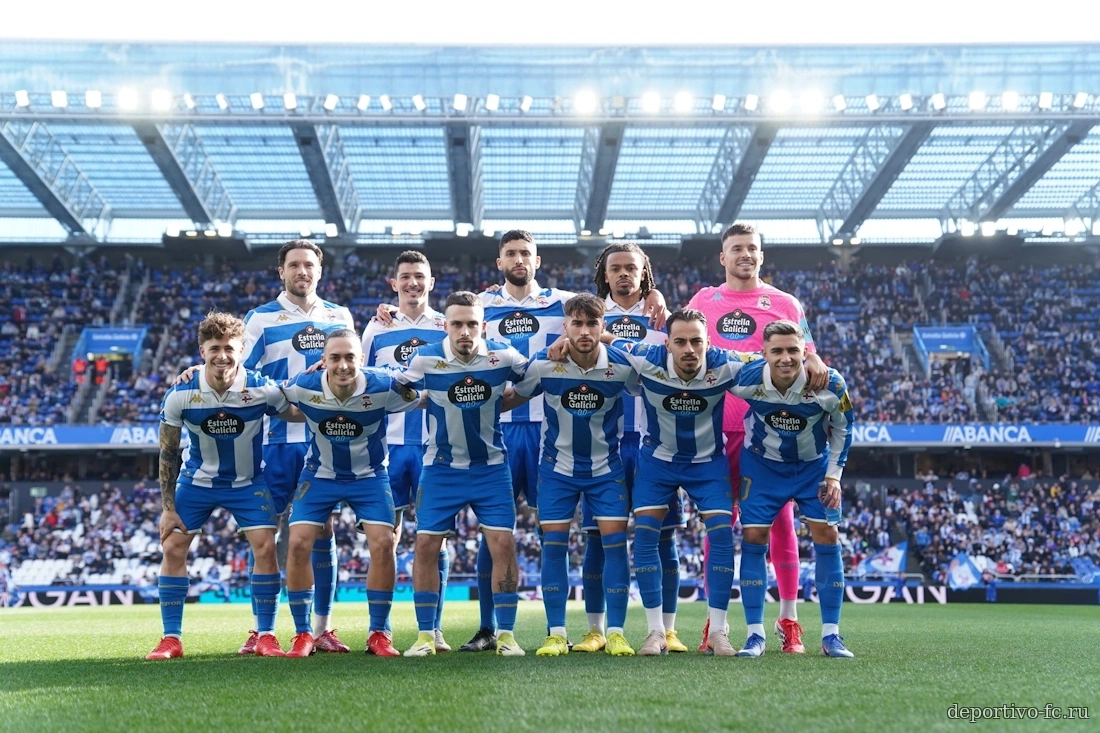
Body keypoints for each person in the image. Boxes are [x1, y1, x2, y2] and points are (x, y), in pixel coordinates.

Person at [686, 222, 828, 654]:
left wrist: (816, 358)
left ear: (761, 255)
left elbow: (809, 355)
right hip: (713, 429)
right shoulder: (703, 301)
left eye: (752, 248)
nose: (745, 254)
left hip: (768, 432)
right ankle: (716, 624)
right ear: (723, 257)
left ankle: (789, 621)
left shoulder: (784, 303)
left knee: (780, 524)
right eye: (736, 248)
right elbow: (679, 343)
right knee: (718, 526)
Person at [146, 311, 304, 660]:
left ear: (241, 350)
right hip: (197, 482)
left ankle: (266, 635)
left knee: (266, 547)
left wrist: (332, 395)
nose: (222, 356)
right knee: (173, 547)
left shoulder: (260, 388)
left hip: (247, 482)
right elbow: (168, 453)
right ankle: (171, 638)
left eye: (229, 348)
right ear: (202, 351)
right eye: (214, 348)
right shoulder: (181, 393)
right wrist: (168, 508)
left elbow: (295, 411)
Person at [606, 309, 757, 656]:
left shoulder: (726, 363)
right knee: (645, 537)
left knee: (722, 537)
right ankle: (656, 632)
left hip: (708, 464)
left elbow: (769, 359)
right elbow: (607, 338)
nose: (689, 349)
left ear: (708, 343)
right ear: (667, 344)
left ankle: (717, 632)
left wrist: (811, 360)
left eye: (696, 341)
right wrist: (566, 341)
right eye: (680, 342)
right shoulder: (647, 357)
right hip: (657, 463)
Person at [393, 291, 530, 657]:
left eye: (472, 324)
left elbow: (536, 376)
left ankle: (506, 635)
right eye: (457, 324)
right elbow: (395, 385)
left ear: (482, 325)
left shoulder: (503, 357)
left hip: (491, 468)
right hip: (441, 469)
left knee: (503, 544)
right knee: (425, 545)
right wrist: (417, 400)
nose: (465, 331)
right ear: (445, 326)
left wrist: (509, 399)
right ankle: (426, 636)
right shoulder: (426, 359)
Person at [239, 240, 356, 654]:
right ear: (282, 272)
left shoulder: (339, 316)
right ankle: (262, 630)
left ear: (319, 271)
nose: (302, 271)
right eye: (294, 265)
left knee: (323, 531)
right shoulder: (260, 319)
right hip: (273, 442)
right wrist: (288, 389)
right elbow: (239, 373)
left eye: (309, 265)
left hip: (323, 440)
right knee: (264, 535)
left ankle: (321, 628)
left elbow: (353, 369)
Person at [574, 242, 688, 654]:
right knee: (598, 539)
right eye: (616, 268)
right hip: (601, 444)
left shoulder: (662, 319)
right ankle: (596, 630)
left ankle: (667, 630)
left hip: (655, 443)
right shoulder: (586, 316)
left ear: (644, 274)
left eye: (631, 268)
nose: (624, 274)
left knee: (663, 539)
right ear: (604, 275)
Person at [510, 293, 638, 657]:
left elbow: (656, 382)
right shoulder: (544, 364)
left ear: (602, 327)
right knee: (553, 547)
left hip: (606, 470)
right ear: (564, 327)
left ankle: (615, 632)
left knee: (615, 547)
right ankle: (557, 633)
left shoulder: (622, 366)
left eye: (592, 324)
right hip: (557, 471)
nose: (584, 331)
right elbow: (513, 397)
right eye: (576, 324)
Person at [280, 329, 421, 658]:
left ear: (362, 359)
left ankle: (379, 633)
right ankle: (303, 633)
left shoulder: (383, 385)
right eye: (335, 358)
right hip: (319, 475)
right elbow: (270, 396)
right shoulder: (304, 385)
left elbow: (420, 395)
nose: (343, 365)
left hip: (369, 476)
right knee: (298, 542)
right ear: (323, 360)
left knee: (383, 542)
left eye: (349, 357)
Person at [727, 319, 855, 658]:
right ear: (764, 353)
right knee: (754, 537)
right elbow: (709, 360)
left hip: (814, 469)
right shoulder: (746, 377)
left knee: (828, 535)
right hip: (762, 467)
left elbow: (845, 427)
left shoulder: (831, 383)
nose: (785, 358)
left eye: (793, 350)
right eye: (777, 351)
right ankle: (755, 635)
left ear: (804, 351)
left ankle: (831, 635)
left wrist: (834, 477)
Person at [361, 250, 451, 652]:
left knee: (436, 539)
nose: (413, 283)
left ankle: (433, 630)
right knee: (384, 540)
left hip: (434, 447)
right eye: (406, 276)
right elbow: (360, 381)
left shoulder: (447, 327)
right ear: (394, 283)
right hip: (386, 450)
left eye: (420, 276)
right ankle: (379, 629)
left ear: (431, 283)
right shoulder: (375, 329)